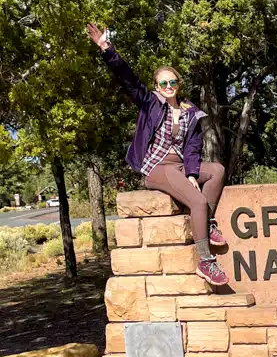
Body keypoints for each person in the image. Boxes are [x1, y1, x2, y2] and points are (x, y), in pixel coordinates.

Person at [87, 24, 229, 286]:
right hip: (157, 167)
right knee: (197, 202)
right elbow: (126, 77)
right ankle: (206, 262)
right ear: (156, 86)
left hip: (178, 166)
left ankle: (205, 224)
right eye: (163, 82)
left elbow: (193, 147)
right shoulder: (151, 103)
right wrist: (106, 48)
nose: (168, 86)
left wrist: (192, 173)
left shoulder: (190, 111)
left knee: (217, 170)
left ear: (178, 83)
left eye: (172, 81)